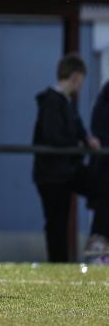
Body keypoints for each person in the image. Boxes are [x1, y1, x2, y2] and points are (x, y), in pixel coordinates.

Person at [33, 53, 100, 262]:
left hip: (67, 170)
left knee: (101, 186)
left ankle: (98, 242)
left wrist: (88, 139)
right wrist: (79, 144)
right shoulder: (52, 102)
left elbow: (78, 127)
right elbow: (54, 136)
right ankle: (58, 263)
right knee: (56, 222)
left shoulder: (67, 102)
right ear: (76, 77)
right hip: (52, 175)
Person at [85, 79, 109, 260]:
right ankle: (99, 255)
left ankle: (98, 254)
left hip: (102, 170)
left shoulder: (102, 100)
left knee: (101, 220)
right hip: (105, 171)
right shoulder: (104, 103)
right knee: (102, 220)